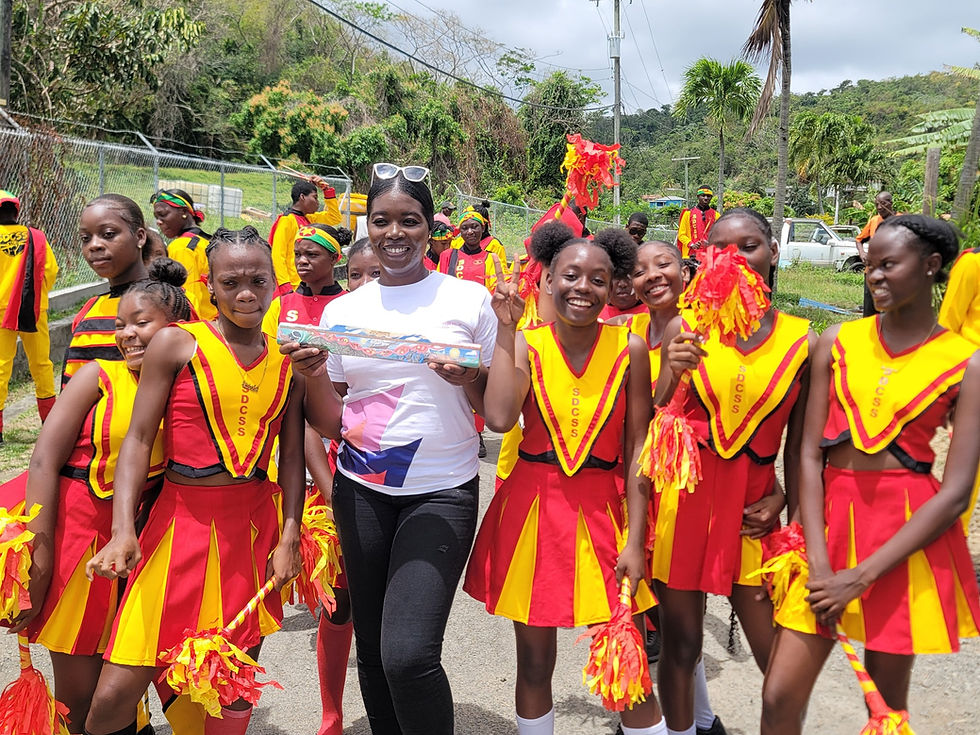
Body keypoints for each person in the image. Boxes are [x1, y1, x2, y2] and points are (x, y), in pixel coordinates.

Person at [283, 162, 497, 735]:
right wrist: (312, 377)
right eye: (381, 221)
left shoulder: (468, 301)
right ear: (368, 227)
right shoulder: (342, 313)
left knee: (409, 655)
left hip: (443, 491)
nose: (394, 233)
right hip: (362, 493)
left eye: (409, 220)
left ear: (431, 228)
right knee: (374, 653)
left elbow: (495, 408)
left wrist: (465, 380)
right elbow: (331, 422)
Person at [760, 215, 980, 735]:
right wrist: (817, 562)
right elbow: (809, 455)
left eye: (888, 265)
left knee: (885, 706)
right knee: (778, 696)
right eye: (870, 266)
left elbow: (955, 492)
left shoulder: (966, 363)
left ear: (930, 267)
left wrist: (859, 577)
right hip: (827, 528)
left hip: (905, 537)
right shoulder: (836, 340)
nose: (874, 275)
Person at [83, 226, 304, 735]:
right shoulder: (176, 344)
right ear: (210, 284)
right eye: (231, 282)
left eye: (258, 279)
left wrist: (290, 535)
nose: (246, 293)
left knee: (226, 693)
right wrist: (123, 531)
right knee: (113, 699)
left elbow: (291, 456)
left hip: (251, 538)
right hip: (176, 530)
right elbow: (139, 440)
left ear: (275, 281)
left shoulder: (288, 360)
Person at [464, 226, 666, 735]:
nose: (583, 287)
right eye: (569, 275)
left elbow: (637, 448)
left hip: (606, 511)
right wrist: (506, 330)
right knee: (534, 664)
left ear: (612, 286)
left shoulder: (632, 347)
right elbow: (501, 420)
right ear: (547, 280)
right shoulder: (527, 344)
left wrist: (637, 540)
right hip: (533, 509)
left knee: (628, 661)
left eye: (598, 279)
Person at [10, 260, 191, 734]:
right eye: (120, 325)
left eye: (142, 323)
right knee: (79, 695)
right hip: (76, 546)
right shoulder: (98, 375)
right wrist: (39, 557)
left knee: (126, 689)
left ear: (178, 329)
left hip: (145, 547)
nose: (128, 335)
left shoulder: (193, 387)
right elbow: (43, 462)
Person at [654, 208, 815, 735]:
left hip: (755, 509)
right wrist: (670, 374)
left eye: (749, 245)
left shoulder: (805, 342)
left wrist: (785, 498)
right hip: (686, 500)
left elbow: (803, 443)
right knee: (681, 648)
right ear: (704, 256)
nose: (735, 258)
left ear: (773, 252)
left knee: (779, 665)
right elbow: (654, 426)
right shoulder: (687, 327)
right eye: (720, 247)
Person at [62, 195, 150, 388]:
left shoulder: (170, 302)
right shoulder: (90, 310)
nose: (94, 245)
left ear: (140, 236)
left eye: (108, 234)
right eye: (86, 238)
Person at [0, 189, 58, 442]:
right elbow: (51, 271)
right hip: (33, 310)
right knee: (41, 364)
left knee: (1, 367)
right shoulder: (36, 237)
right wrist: (37, 295)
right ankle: (50, 421)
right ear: (16, 211)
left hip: (0, 312)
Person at [263, 223, 352, 336]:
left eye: (312, 254)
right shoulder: (280, 305)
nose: (302, 261)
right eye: (297, 254)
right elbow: (267, 350)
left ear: (333, 258)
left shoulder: (350, 305)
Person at [151, 188, 215, 320]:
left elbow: (188, 298)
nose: (158, 221)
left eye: (163, 214)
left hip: (199, 325)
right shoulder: (205, 241)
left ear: (184, 212)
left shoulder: (182, 247)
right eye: (156, 217)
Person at [270, 178, 343, 290]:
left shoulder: (309, 219)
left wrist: (327, 191)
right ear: (302, 197)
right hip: (293, 286)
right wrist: (285, 285)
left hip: (307, 283)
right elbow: (277, 255)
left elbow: (334, 217)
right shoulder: (287, 221)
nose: (318, 203)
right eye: (315, 197)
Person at [856, 191, 900, 317]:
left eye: (883, 203)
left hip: (892, 273)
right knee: (870, 310)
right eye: (877, 204)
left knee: (891, 311)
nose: (880, 207)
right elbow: (859, 239)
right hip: (872, 271)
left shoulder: (902, 220)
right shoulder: (874, 221)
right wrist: (862, 253)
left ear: (891, 203)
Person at [676, 187, 718, 259]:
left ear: (711, 197)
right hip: (690, 255)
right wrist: (691, 244)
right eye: (703, 195)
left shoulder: (716, 215)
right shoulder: (688, 213)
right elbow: (681, 235)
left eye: (708, 196)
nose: (705, 198)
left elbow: (719, 235)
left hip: (709, 255)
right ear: (698, 197)